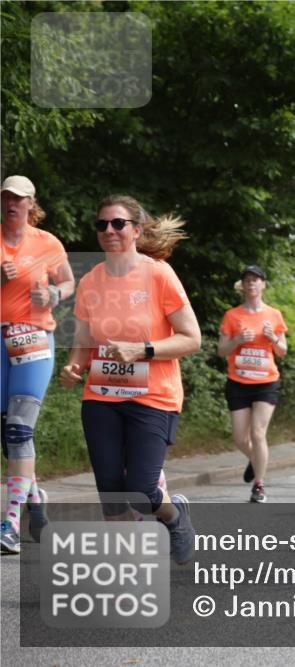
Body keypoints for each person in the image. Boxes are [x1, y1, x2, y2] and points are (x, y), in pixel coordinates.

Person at [59, 194, 199, 564]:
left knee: (140, 487)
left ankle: (175, 517)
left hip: (153, 397)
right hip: (101, 396)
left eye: (118, 223)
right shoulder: (90, 281)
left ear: (136, 230)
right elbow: (84, 341)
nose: (109, 230)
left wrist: (144, 350)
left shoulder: (158, 274)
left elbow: (192, 338)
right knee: (110, 489)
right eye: (102, 224)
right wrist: (74, 366)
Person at [1, 176, 74, 555]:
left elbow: (69, 282)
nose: (11, 204)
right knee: (7, 432)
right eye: (6, 198)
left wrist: (54, 293)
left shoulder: (47, 243)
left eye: (19, 199)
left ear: (31, 203)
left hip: (34, 338)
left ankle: (11, 523)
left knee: (18, 428)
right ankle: (34, 495)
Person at [217, 265, 288, 503]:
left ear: (263, 284)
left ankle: (259, 484)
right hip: (238, 382)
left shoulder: (274, 314)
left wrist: (272, 337)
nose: (251, 283)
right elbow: (221, 351)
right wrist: (237, 340)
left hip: (266, 382)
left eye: (256, 279)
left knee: (258, 433)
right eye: (247, 280)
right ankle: (257, 460)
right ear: (243, 286)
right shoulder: (232, 315)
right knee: (240, 438)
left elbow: (282, 350)